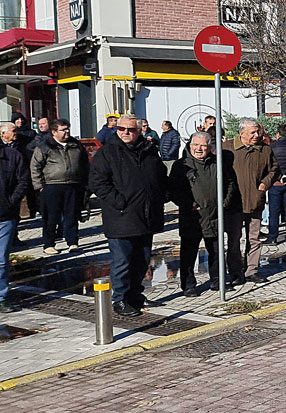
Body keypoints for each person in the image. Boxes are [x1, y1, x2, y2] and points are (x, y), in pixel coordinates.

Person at [88, 116, 168, 317]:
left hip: (146, 215)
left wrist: (161, 197)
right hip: (121, 216)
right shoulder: (108, 152)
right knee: (122, 260)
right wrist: (119, 201)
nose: (125, 132)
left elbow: (159, 177)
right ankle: (120, 299)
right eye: (121, 128)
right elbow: (98, 183)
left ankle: (134, 295)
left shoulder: (149, 151)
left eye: (130, 129)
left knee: (141, 260)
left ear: (139, 131)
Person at [168, 132, 240, 296]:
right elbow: (173, 190)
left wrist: (224, 203)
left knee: (216, 251)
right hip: (192, 217)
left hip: (215, 215)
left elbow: (230, 184)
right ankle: (188, 285)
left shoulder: (218, 163)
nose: (199, 149)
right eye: (196, 145)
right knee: (189, 253)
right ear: (190, 145)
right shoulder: (182, 165)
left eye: (203, 146)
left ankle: (218, 281)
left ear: (210, 147)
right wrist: (189, 205)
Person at [226, 118, 278, 285]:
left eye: (258, 132)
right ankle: (235, 272)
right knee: (234, 239)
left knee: (254, 238)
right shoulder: (226, 148)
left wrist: (265, 184)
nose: (257, 135)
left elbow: (274, 169)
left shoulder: (265, 150)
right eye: (253, 132)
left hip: (255, 200)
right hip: (233, 203)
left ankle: (251, 271)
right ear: (241, 133)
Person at [30, 119, 87, 255]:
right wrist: (39, 186)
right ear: (54, 132)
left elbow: (84, 164)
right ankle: (49, 244)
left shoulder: (75, 145)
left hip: (72, 185)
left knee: (72, 216)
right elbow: (35, 167)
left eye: (68, 129)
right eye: (63, 129)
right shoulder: (45, 146)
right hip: (51, 186)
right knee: (51, 217)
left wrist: (85, 184)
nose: (67, 132)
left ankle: (72, 242)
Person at [0, 122, 27, 313]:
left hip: (5, 215)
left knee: (1, 259)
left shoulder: (13, 155)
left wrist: (11, 201)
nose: (16, 134)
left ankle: (1, 297)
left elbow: (23, 181)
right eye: (13, 131)